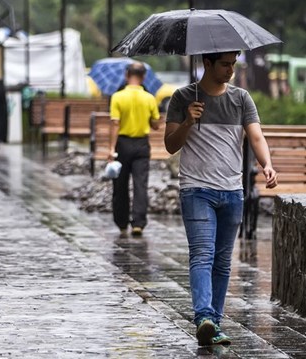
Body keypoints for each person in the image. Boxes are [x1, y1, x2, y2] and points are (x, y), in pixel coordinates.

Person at [164, 51, 278, 346]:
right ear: (207, 64)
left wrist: (266, 163)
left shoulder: (241, 98)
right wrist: (189, 120)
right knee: (202, 255)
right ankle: (203, 316)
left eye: (233, 64)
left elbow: (255, 137)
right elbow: (170, 145)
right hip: (196, 190)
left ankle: (213, 323)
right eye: (225, 64)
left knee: (223, 262)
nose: (231, 70)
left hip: (232, 192)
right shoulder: (182, 98)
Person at [108, 62, 161, 236]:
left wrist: (111, 149)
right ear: (143, 77)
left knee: (120, 184)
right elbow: (155, 124)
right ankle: (138, 223)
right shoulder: (149, 98)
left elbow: (115, 124)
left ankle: (122, 221)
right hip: (141, 145)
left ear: (126, 75)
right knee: (140, 184)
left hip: (122, 144)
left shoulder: (117, 97)